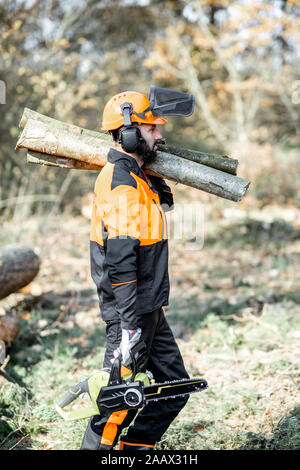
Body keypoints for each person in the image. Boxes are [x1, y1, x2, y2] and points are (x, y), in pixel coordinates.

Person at [80, 91, 189, 451]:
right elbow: (120, 259)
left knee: (174, 387)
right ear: (128, 132)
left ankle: (132, 453)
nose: (159, 135)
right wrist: (129, 326)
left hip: (148, 306)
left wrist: (158, 182)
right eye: (151, 129)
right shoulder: (121, 184)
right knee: (115, 404)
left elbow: (161, 210)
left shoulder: (138, 178)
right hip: (132, 313)